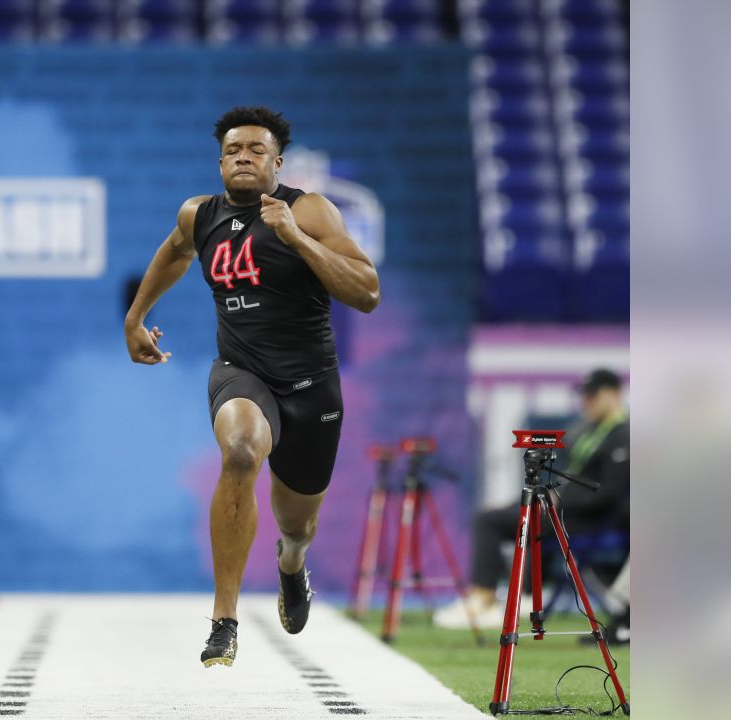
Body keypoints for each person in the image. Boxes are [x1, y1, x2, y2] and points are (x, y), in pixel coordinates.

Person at [123, 106, 380, 667]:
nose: (244, 157)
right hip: (241, 371)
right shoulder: (200, 215)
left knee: (298, 524)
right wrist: (136, 317)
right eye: (234, 150)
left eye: (256, 150)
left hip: (311, 385)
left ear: (277, 162)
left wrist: (296, 239)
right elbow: (174, 253)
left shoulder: (308, 209)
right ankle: (225, 621)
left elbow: (366, 291)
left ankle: (290, 565)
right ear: (220, 163)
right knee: (239, 451)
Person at [434, 368, 630, 629]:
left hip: (590, 520)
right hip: (564, 512)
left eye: (593, 395)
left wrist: (557, 503)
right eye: (584, 395)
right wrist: (527, 502)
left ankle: (485, 598)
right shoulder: (586, 431)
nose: (586, 401)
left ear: (614, 394)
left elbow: (608, 495)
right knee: (505, 515)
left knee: (489, 521)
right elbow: (565, 480)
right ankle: (514, 597)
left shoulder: (623, 434)